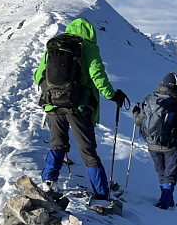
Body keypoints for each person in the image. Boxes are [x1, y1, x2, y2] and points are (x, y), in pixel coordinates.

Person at [33, 17, 128, 199]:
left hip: (52, 105)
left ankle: (48, 181)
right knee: (88, 151)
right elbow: (97, 75)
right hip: (78, 106)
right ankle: (101, 194)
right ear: (90, 33)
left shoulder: (55, 46)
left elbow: (38, 75)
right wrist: (112, 95)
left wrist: (54, 92)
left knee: (57, 145)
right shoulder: (88, 47)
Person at [133, 72, 177, 209]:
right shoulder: (176, 102)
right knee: (170, 177)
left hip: (152, 144)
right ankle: (164, 206)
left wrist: (135, 112)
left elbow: (138, 121)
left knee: (162, 174)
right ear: (176, 86)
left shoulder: (150, 98)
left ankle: (169, 202)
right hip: (171, 146)